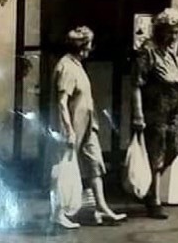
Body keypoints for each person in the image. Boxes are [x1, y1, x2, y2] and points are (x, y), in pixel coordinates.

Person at [49, 26, 127, 229]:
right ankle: (58, 213)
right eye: (89, 44)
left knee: (94, 165)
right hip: (73, 126)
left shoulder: (77, 65)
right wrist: (68, 130)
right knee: (64, 169)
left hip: (87, 125)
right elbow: (62, 102)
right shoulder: (66, 67)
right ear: (83, 46)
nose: (91, 48)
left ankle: (101, 207)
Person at [131, 8, 178, 219]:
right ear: (162, 30)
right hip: (155, 110)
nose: (175, 36)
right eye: (172, 31)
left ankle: (151, 188)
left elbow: (177, 75)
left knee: (175, 147)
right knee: (156, 152)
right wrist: (138, 114)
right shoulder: (147, 51)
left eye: (177, 31)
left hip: (173, 111)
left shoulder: (169, 52)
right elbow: (136, 84)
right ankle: (154, 199)